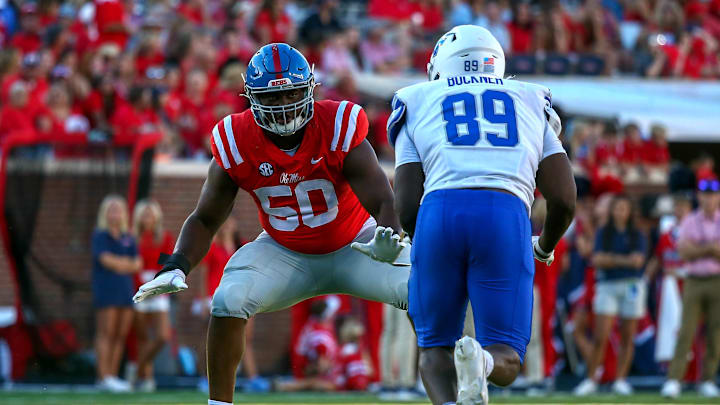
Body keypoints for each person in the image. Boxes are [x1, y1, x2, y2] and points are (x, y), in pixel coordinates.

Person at [133, 43, 410, 405]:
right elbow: (205, 217)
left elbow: (383, 199)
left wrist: (391, 235)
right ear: (252, 98)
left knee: (428, 287)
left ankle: (458, 387)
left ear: (309, 88)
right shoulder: (237, 138)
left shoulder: (337, 123)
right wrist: (177, 264)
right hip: (286, 251)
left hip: (356, 244)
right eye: (273, 97)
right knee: (228, 298)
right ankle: (219, 404)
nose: (284, 105)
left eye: (291, 93)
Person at [386, 25, 576, 405]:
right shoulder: (527, 98)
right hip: (505, 214)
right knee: (507, 355)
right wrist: (544, 247)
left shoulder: (417, 98)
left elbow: (406, 202)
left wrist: (422, 241)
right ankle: (484, 362)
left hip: (439, 212)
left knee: (434, 346)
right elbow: (565, 199)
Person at [573, 195, 648, 396]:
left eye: (624, 208)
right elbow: (597, 259)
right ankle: (591, 379)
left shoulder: (637, 234)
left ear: (630, 211)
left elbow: (638, 262)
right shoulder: (603, 233)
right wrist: (624, 261)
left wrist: (612, 260)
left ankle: (620, 380)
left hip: (631, 286)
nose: (620, 212)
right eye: (618, 208)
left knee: (627, 336)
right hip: (607, 286)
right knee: (600, 336)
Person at [661, 179, 720, 399]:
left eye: (713, 194)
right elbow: (684, 252)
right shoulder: (690, 221)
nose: (709, 198)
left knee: (715, 333)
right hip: (694, 279)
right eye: (705, 194)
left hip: (717, 280)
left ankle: (707, 380)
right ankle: (674, 380)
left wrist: (699, 248)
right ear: (700, 197)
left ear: (718, 197)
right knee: (686, 330)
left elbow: (693, 249)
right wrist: (711, 248)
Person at [92, 195, 142, 392]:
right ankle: (102, 377)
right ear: (105, 213)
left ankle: (112, 376)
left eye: (118, 209)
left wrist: (121, 264)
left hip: (125, 290)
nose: (115, 213)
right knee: (106, 333)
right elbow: (105, 260)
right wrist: (125, 264)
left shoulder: (128, 237)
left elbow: (137, 264)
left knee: (120, 334)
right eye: (111, 209)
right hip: (106, 289)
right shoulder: (100, 235)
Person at [131, 200, 175, 392]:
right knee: (142, 338)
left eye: (151, 214)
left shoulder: (164, 237)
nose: (147, 218)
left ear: (157, 217)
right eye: (144, 214)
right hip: (137, 288)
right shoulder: (132, 238)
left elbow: (166, 262)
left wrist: (155, 286)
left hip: (158, 288)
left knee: (162, 337)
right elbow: (134, 265)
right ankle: (146, 379)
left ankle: (137, 370)